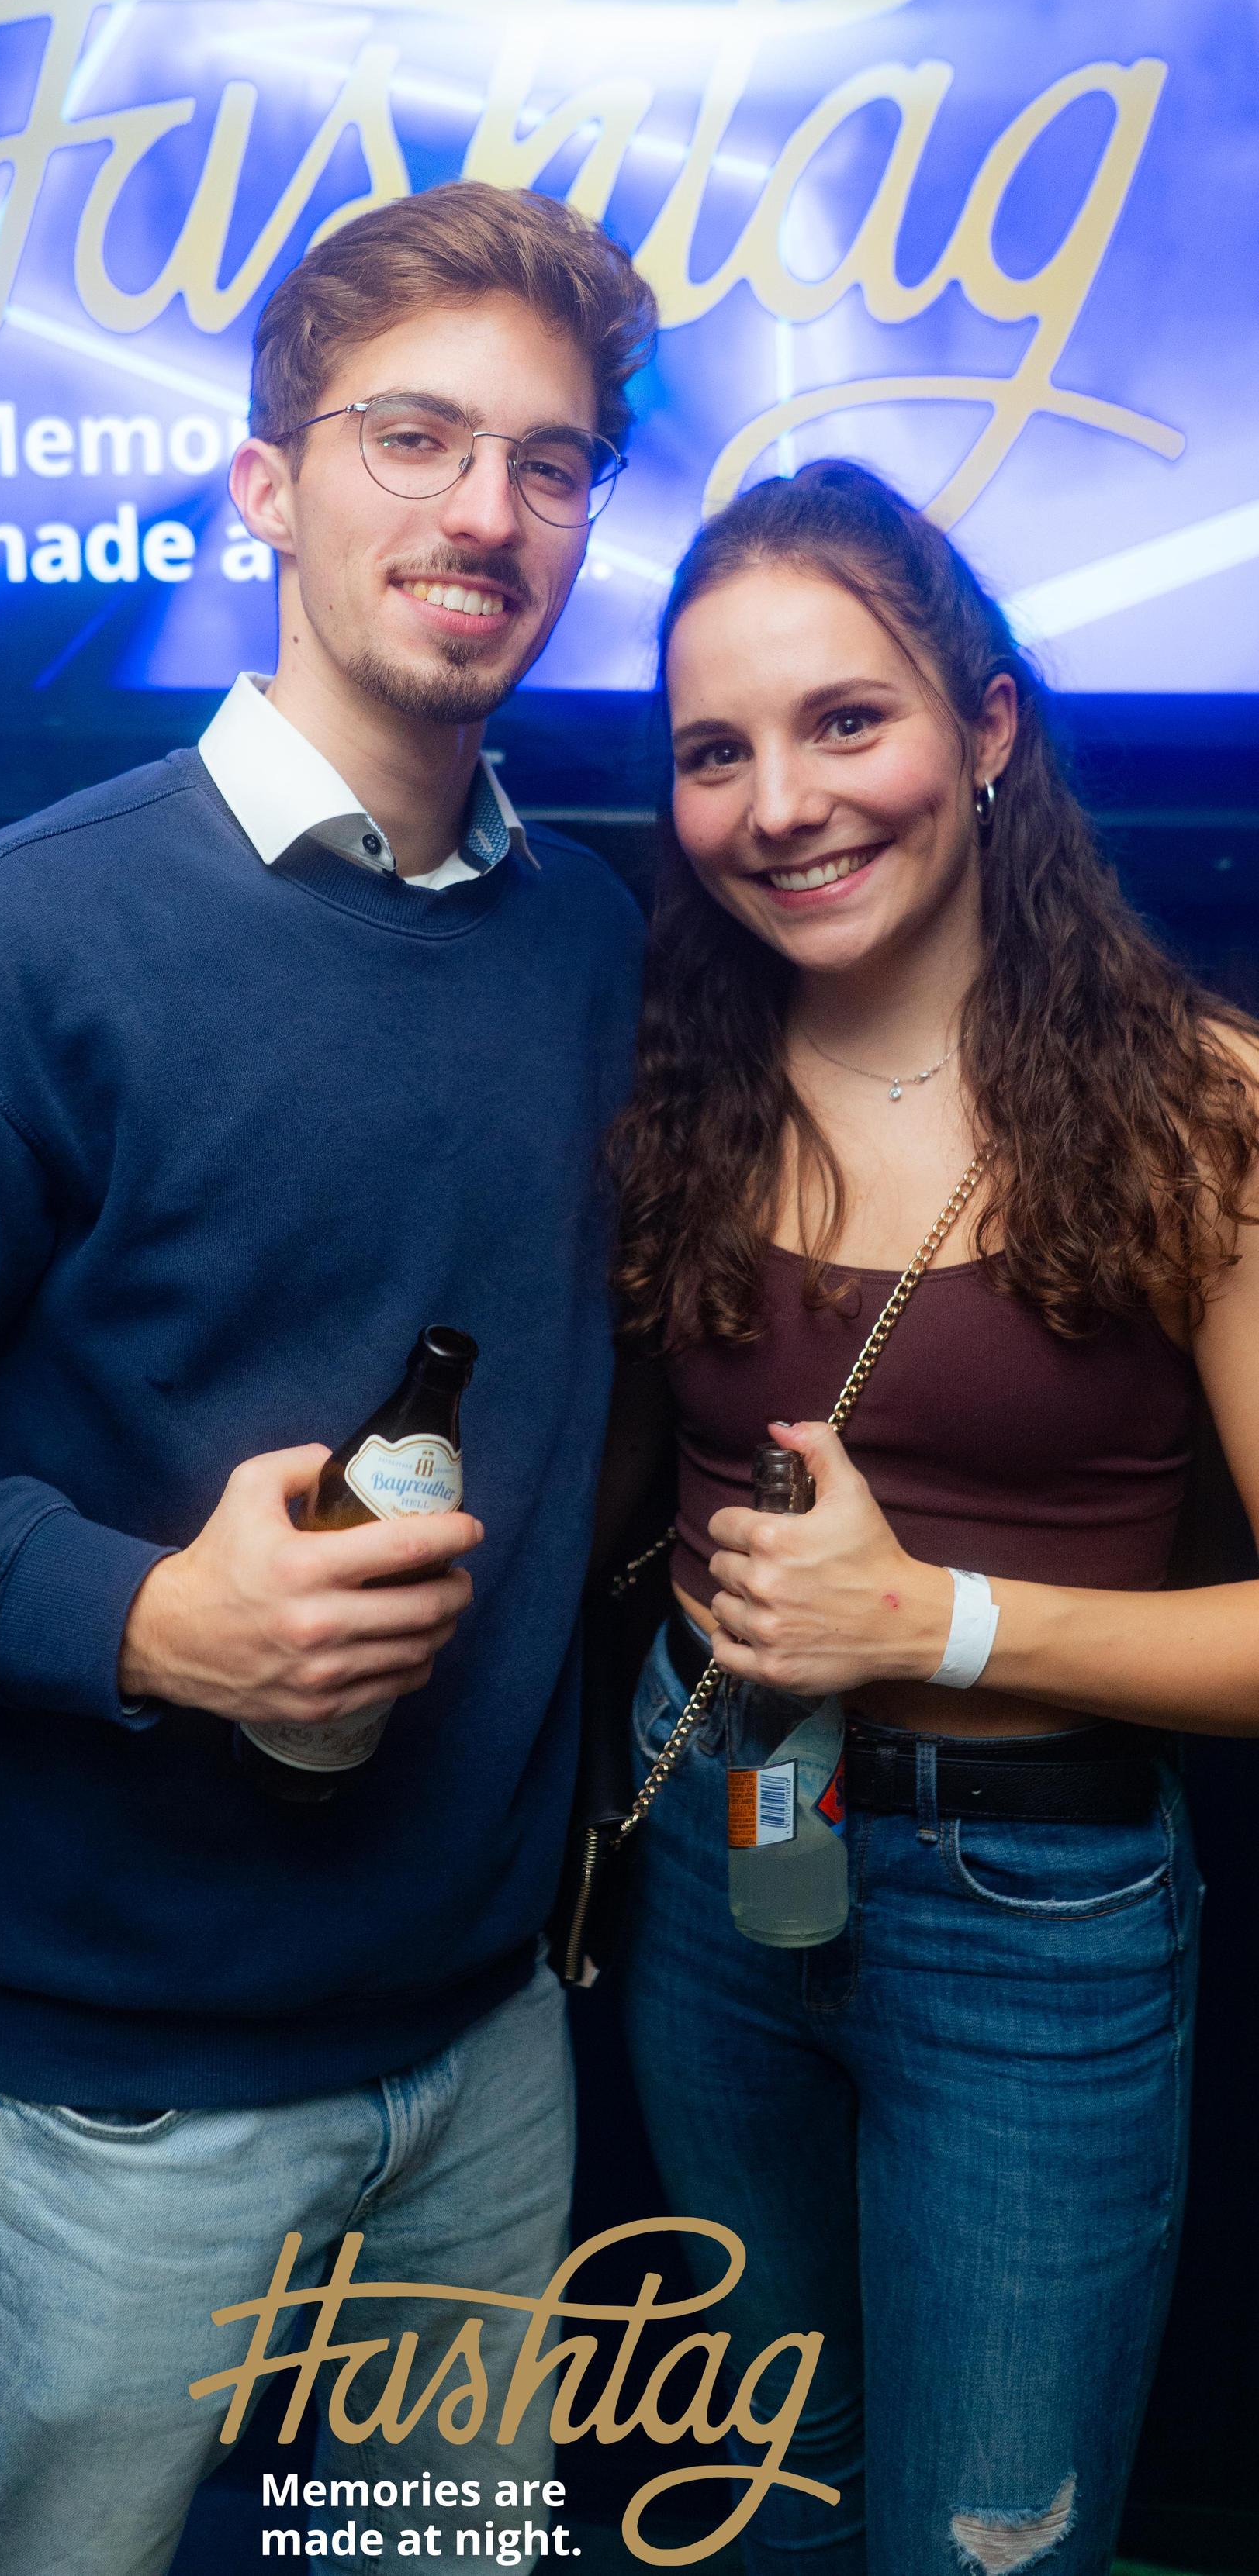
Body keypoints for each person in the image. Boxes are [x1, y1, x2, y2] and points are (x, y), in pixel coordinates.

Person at [0, 182, 654, 2574]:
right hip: (119, 2101)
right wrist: (150, 1622)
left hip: (486, 2057)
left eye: (551, 462)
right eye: (414, 436)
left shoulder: (594, 940)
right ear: (265, 484)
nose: (487, 509)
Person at [603, 460, 1259, 2574]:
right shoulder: (667, 1073)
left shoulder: (1202, 1108)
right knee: (757, 2499)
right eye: (717, 751)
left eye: (846, 720)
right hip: (728, 1839)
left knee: (985, 2538)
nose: (780, 801)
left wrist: (936, 1622)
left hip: (1030, 1918)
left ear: (988, 727)